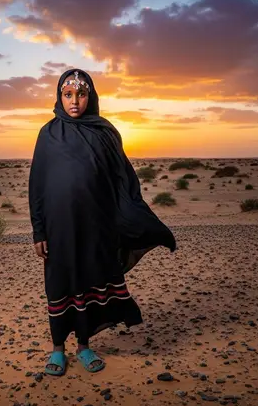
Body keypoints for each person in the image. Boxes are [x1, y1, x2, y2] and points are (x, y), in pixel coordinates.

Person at [28, 68, 176, 376]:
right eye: (68, 94)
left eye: (81, 94)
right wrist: (38, 229)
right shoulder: (48, 133)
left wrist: (135, 219)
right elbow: (37, 185)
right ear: (59, 96)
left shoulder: (104, 132)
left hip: (95, 226)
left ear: (91, 96)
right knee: (59, 283)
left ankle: (84, 345)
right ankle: (58, 349)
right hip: (59, 229)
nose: (74, 101)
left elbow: (122, 181)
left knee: (88, 281)